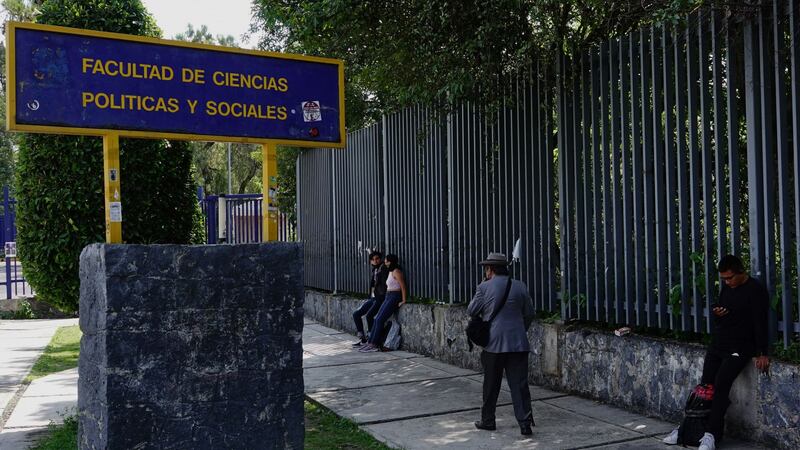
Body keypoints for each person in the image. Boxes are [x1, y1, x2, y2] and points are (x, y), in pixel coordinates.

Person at [663, 254, 770, 450]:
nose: (727, 282)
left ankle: (711, 434)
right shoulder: (727, 288)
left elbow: (760, 322)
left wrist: (762, 351)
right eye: (723, 279)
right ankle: (687, 429)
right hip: (719, 343)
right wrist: (719, 315)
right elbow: (723, 319)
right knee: (705, 387)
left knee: (721, 385)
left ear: (740, 272)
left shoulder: (755, 290)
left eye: (730, 278)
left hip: (740, 347)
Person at [468, 252, 536, 436]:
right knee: (519, 385)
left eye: (486, 269)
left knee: (491, 384)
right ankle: (525, 424)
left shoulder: (484, 287)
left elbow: (471, 310)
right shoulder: (520, 286)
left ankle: (488, 421)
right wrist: (520, 330)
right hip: (518, 343)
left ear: (490, 269)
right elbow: (529, 313)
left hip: (493, 344)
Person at [359, 254, 407, 352]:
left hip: (394, 296)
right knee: (376, 319)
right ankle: (370, 342)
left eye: (387, 261)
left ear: (391, 261)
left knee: (380, 319)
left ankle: (374, 344)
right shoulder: (390, 271)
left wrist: (403, 300)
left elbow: (403, 286)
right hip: (388, 296)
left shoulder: (397, 272)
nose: (385, 262)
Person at [351, 251, 389, 347]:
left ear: (380, 259)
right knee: (356, 314)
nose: (375, 261)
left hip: (380, 298)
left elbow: (385, 285)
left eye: (377, 259)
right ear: (370, 261)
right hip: (373, 298)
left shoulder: (383, 269)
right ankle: (362, 338)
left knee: (369, 316)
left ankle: (371, 338)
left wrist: (382, 297)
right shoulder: (374, 270)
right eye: (373, 259)